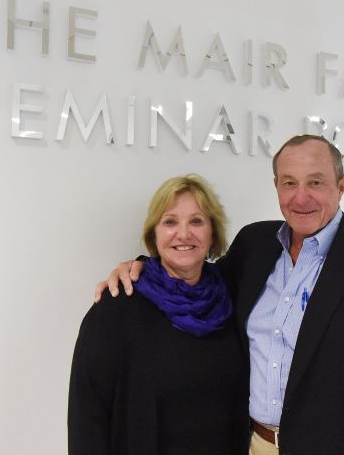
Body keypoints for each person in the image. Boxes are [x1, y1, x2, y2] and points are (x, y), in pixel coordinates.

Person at [97, 135, 344, 454]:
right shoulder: (254, 246)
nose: (300, 197)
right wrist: (142, 269)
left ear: (342, 185)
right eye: (289, 183)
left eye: (315, 182)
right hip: (251, 445)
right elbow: (197, 282)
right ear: (277, 186)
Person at [69, 175, 248, 455]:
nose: (184, 233)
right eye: (170, 222)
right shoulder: (117, 305)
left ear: (213, 232)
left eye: (197, 221)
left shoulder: (232, 299)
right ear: (154, 233)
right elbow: (87, 417)